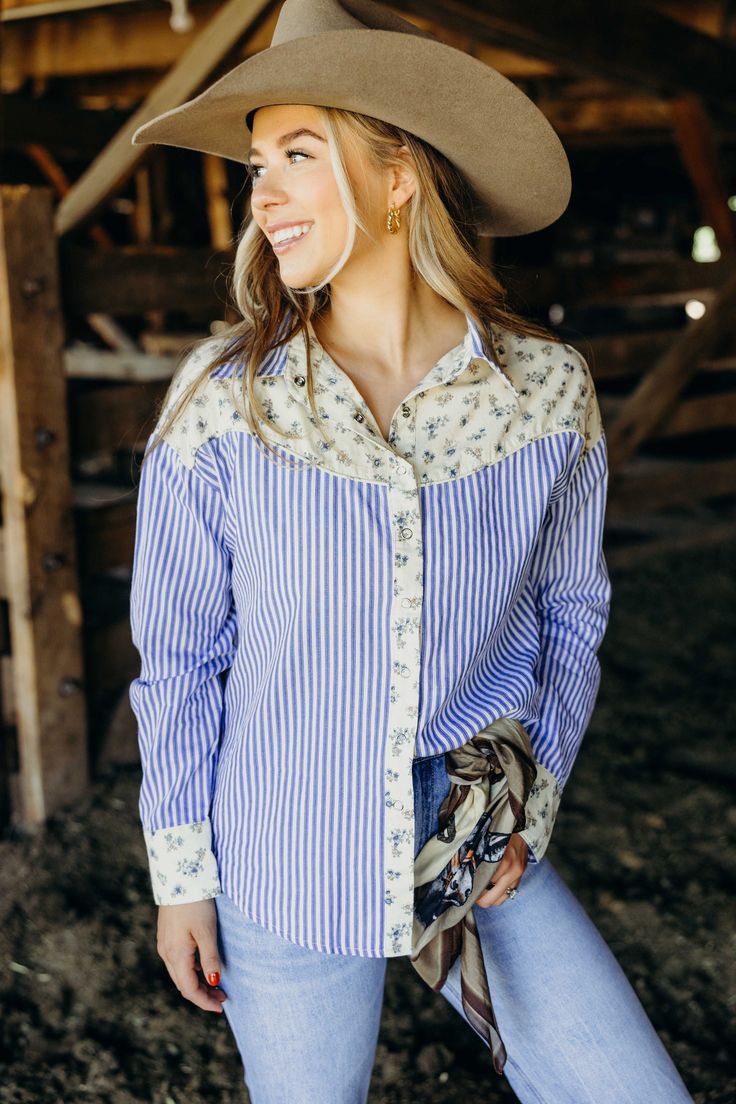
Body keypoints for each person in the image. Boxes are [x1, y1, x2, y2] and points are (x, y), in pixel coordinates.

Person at [127, 1, 696, 1101]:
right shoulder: (224, 404)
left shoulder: (544, 391)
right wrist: (182, 880)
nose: (265, 196)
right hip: (286, 851)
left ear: (400, 176)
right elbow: (182, 657)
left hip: (473, 831)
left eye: (299, 154)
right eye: (256, 166)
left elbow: (570, 612)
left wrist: (531, 803)